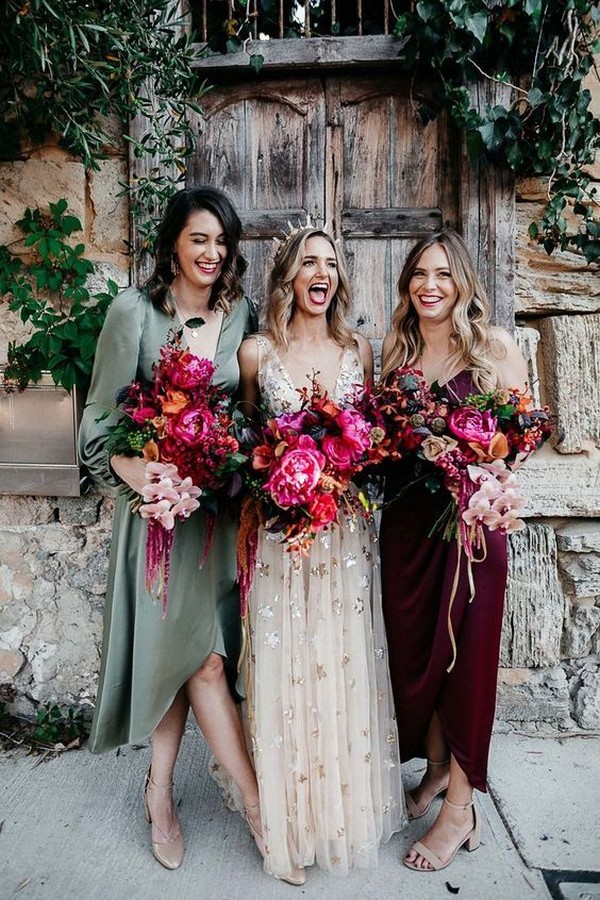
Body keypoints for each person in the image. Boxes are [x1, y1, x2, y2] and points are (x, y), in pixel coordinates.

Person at [79, 186, 260, 870]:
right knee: (180, 658)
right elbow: (99, 422)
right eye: (199, 239)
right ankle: (191, 798)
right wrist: (138, 476)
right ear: (172, 245)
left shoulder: (238, 311)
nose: (212, 253)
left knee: (201, 657)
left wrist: (231, 455)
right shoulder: (133, 312)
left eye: (222, 242)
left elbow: (242, 415)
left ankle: (165, 787)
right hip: (155, 517)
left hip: (211, 519)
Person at [237, 227, 405, 885]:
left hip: (345, 539)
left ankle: (338, 815)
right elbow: (250, 447)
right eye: (308, 261)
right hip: (284, 538)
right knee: (289, 665)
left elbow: (372, 447)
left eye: (331, 263)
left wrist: (343, 469)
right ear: (286, 275)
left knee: (341, 660)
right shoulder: (258, 354)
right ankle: (289, 821)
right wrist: (282, 479)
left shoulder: (358, 349)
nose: (322, 272)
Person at [379, 229, 529, 873]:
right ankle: (438, 770)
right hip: (408, 529)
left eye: (442, 274)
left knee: (466, 664)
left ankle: (462, 808)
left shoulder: (492, 348)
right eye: (419, 274)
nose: (429, 286)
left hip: (471, 530)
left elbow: (521, 437)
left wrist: (485, 475)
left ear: (464, 283)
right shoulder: (395, 350)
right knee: (419, 655)